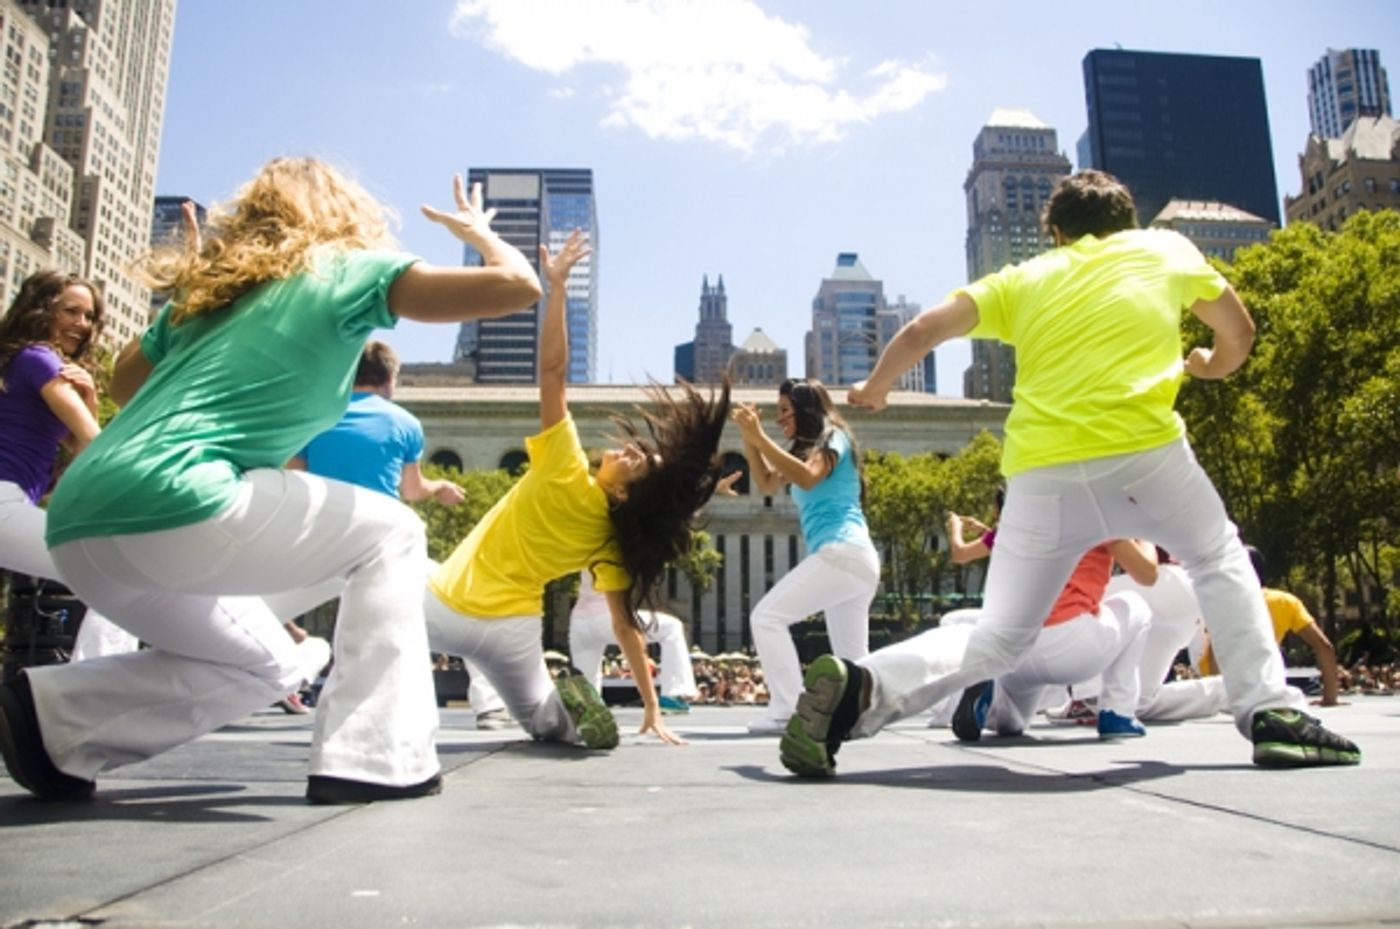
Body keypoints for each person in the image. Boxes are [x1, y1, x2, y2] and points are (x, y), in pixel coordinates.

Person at [779, 169, 1360, 778]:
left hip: (1041, 475)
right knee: (1217, 558)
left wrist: (876, 387)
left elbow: (925, 329)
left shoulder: (1024, 278)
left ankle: (864, 687)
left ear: (1055, 232)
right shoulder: (1163, 247)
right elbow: (1239, 331)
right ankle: (1271, 712)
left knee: (999, 636)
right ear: (1128, 222)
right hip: (1147, 456)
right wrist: (1211, 364)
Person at [0, 159, 543, 804]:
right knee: (394, 531)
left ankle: (54, 719)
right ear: (343, 214)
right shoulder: (349, 268)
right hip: (177, 501)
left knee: (272, 663)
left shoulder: (210, 299)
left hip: (79, 524)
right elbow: (518, 286)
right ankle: (372, 757)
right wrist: (479, 233)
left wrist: (192, 297)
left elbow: (124, 380)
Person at [422, 230, 730, 750]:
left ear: (627, 495)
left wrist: (558, 288)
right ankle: (565, 715)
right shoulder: (609, 542)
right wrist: (651, 706)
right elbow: (625, 626)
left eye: (636, 463)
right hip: (513, 628)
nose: (629, 450)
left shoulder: (562, 466)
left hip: (445, 604)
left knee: (392, 552)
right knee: (541, 719)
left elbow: (552, 372)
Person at [285, 339, 511, 727]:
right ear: (390, 378)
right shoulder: (404, 423)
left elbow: (295, 478)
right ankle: (490, 706)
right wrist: (440, 487)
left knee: (247, 609)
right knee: (464, 605)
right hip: (380, 548)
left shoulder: (315, 417)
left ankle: (282, 671)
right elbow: (412, 490)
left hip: (320, 547)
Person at [0, 270, 138, 662]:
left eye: (89, 315)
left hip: (11, 503)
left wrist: (89, 402)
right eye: (70, 311)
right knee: (113, 570)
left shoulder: (20, 361)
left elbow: (81, 455)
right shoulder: (42, 360)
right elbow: (96, 447)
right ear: (41, 310)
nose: (82, 323)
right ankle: (96, 683)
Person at [732, 378, 879, 734]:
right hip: (855, 561)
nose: (780, 418)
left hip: (842, 553)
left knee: (766, 618)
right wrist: (750, 438)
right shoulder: (808, 451)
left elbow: (809, 478)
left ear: (806, 408)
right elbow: (767, 483)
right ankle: (861, 716)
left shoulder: (834, 437)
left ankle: (787, 711)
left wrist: (760, 437)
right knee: (853, 659)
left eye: (785, 410)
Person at [949, 540, 1155, 742]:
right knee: (1135, 605)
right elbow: (1148, 574)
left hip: (1017, 646)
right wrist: (1146, 534)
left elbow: (962, 553)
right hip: (1069, 645)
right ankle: (1118, 713)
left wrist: (956, 528)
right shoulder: (1103, 519)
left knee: (1013, 721)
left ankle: (990, 700)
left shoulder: (1019, 521)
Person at [1197, 546, 1342, 707]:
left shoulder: (1224, 603)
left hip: (1223, 683)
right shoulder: (1285, 601)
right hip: (1264, 681)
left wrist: (1218, 698)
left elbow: (1216, 651)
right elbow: (1324, 647)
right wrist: (1330, 698)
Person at [568, 569, 698, 714]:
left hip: (579, 623)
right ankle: (673, 694)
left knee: (586, 692)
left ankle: (584, 712)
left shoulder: (586, 557)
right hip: (609, 617)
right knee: (672, 627)